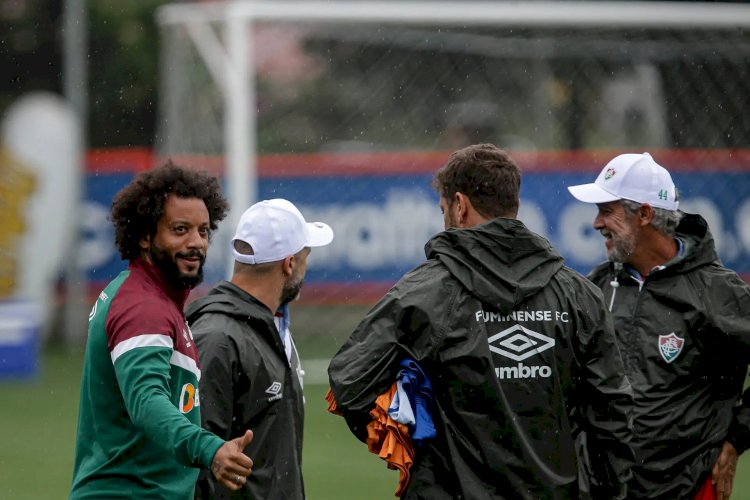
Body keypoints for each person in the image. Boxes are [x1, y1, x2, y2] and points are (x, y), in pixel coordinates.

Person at [327, 143, 634, 499]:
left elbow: (350, 385)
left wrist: (415, 436)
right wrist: (606, 489)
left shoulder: (423, 293)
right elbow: (612, 415)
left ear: (459, 206)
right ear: (513, 205)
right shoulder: (578, 295)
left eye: (443, 209)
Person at [568, 152, 750, 500]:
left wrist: (736, 441)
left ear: (646, 214)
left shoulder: (717, 292)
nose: (596, 224)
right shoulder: (597, 287)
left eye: (607, 211)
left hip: (688, 486)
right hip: (604, 488)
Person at [70, 162, 255, 500]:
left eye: (203, 231)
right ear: (144, 236)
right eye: (180, 229)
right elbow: (146, 399)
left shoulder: (155, 300)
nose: (196, 243)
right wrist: (210, 449)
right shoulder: (144, 308)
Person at [188, 198, 334, 499]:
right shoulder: (217, 338)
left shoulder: (273, 326)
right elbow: (193, 463)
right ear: (289, 263)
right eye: (305, 257)